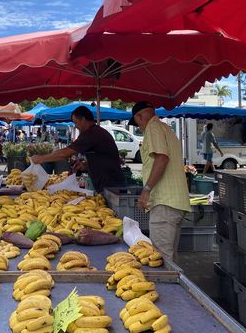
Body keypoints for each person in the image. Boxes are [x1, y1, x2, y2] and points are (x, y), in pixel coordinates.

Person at [130, 101, 191, 261]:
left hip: (165, 202)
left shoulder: (153, 128)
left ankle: (168, 287)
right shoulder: (166, 128)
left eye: (137, 122)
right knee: (170, 257)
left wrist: (147, 189)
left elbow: (162, 158)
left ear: (139, 116)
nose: (139, 127)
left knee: (161, 258)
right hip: (175, 202)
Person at [31, 106, 125, 192]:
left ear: (83, 120)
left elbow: (65, 153)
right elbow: (103, 157)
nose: (75, 126)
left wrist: (41, 158)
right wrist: (86, 165)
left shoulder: (92, 134)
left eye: (76, 122)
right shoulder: (94, 132)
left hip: (111, 184)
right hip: (107, 182)